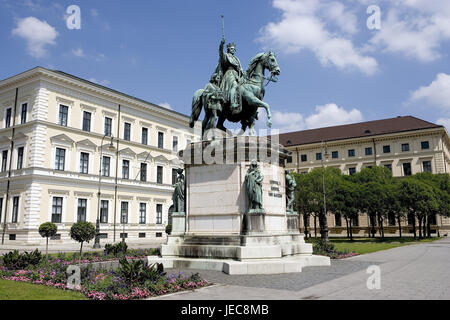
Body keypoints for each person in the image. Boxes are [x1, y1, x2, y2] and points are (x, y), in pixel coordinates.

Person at [219, 38, 244, 115]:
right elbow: (220, 53)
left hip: (237, 75)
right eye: (231, 49)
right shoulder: (226, 56)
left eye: (234, 49)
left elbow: (240, 68)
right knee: (234, 85)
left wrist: (242, 71)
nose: (233, 50)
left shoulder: (236, 59)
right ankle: (232, 103)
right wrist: (222, 44)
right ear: (228, 49)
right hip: (229, 74)